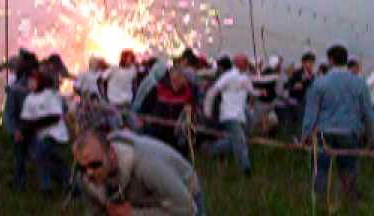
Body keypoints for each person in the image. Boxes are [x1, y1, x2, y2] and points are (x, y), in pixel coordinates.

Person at [73, 129, 204, 215]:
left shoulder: (147, 165)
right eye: (82, 168)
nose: (89, 173)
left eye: (95, 165)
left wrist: (134, 214)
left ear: (111, 154)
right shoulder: (84, 177)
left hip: (184, 195)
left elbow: (187, 209)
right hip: (140, 199)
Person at [302, 44, 374, 201]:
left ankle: (319, 201)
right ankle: (350, 200)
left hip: (323, 132)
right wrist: (371, 137)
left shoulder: (320, 83)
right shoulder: (359, 83)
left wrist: (306, 134)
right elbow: (368, 113)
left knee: (320, 169)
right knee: (348, 168)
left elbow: (311, 112)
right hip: (349, 132)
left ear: (330, 60)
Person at [203, 54, 265, 175]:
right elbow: (212, 92)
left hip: (241, 115)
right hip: (229, 115)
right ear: (239, 64)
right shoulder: (228, 76)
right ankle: (246, 170)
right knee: (240, 141)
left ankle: (212, 149)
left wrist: (260, 93)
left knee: (237, 141)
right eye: (246, 62)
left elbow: (251, 91)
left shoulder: (245, 78)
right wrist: (207, 111)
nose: (248, 65)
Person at [20, 70, 72, 195]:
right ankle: (70, 181)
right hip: (40, 135)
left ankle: (46, 187)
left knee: (41, 154)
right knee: (49, 159)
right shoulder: (29, 99)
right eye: (29, 81)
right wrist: (23, 131)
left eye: (33, 81)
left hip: (55, 134)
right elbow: (26, 119)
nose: (30, 83)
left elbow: (55, 116)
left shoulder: (50, 95)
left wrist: (34, 124)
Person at [3, 48, 39, 191]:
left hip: (29, 124)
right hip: (24, 125)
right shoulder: (23, 82)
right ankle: (21, 182)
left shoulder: (28, 82)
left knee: (30, 154)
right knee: (21, 155)